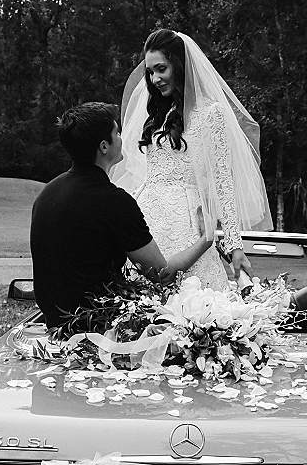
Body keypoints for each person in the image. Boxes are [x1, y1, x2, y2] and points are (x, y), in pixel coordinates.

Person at [112, 30, 273, 291]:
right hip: (147, 222)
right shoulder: (155, 115)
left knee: (192, 308)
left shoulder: (211, 113)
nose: (154, 79)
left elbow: (223, 182)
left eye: (161, 69)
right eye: (150, 72)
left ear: (178, 64)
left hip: (187, 224)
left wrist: (234, 248)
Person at [30, 102, 211, 329]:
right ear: (104, 146)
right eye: (117, 132)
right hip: (94, 327)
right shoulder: (114, 201)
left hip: (54, 322)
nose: (122, 137)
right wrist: (207, 239)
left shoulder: (47, 193)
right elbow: (161, 273)